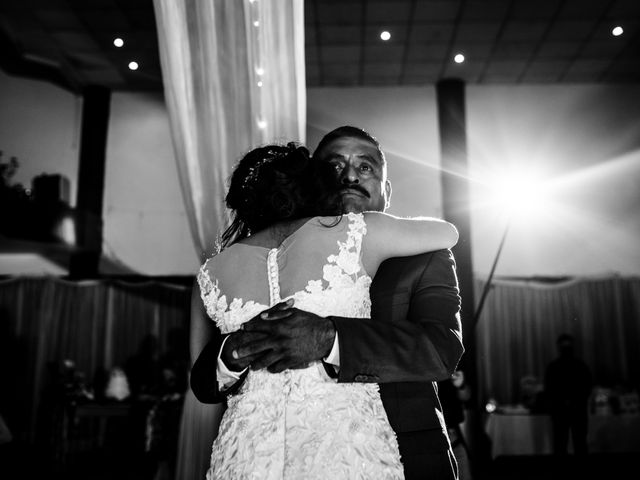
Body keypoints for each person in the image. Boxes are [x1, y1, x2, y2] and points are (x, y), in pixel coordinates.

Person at [191, 126, 465, 479]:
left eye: (366, 167)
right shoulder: (254, 261)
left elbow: (442, 350)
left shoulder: (425, 255)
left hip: (396, 452)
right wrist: (233, 351)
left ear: (387, 189)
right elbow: (202, 376)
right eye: (334, 167)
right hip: (262, 450)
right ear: (312, 182)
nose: (350, 176)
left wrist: (330, 338)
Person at [544, 333, 593, 457]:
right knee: (572, 444)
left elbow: (587, 387)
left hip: (568, 410)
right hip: (569, 410)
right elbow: (549, 389)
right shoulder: (579, 366)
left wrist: (566, 401)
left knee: (573, 444)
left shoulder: (555, 367)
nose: (566, 349)